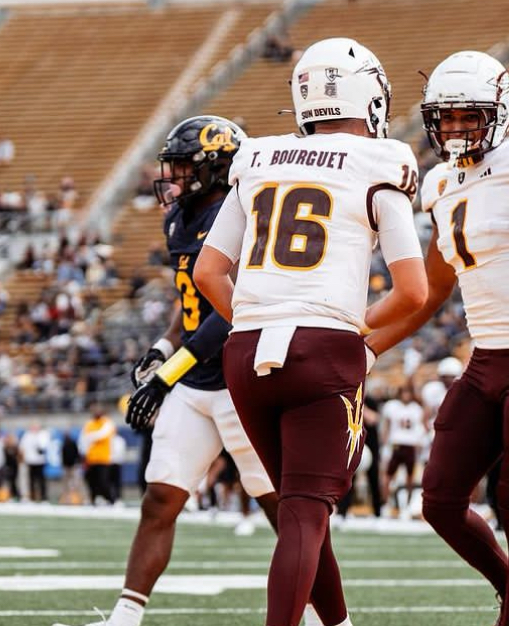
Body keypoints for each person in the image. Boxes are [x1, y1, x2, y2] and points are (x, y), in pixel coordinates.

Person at [194, 37, 427, 626]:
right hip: (321, 348)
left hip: (245, 351)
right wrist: (356, 335)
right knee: (304, 512)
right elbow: (414, 292)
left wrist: (256, 314)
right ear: (370, 96)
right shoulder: (384, 162)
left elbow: (208, 271)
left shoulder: (258, 157)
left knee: (302, 510)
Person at [364, 50, 509, 626]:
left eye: (468, 116)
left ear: (499, 113)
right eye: (446, 118)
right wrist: (365, 342)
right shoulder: (439, 183)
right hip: (484, 361)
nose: (455, 129)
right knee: (441, 501)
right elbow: (429, 292)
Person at [55, 116, 279, 626]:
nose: (173, 176)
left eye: (183, 165)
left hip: (240, 380)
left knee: (280, 507)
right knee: (160, 496)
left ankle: (322, 614)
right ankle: (125, 617)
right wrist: (162, 347)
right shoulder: (180, 218)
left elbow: (233, 308)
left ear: (217, 168)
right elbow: (193, 301)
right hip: (196, 381)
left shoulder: (238, 213)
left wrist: (166, 373)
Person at [380, 386, 425, 518]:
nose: (406, 395)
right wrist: (385, 443)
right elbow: (386, 425)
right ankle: (386, 505)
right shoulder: (392, 406)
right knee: (388, 476)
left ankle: (407, 506)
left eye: (408, 392)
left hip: (410, 445)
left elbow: (419, 427)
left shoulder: (416, 408)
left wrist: (419, 445)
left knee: (410, 478)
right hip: (396, 445)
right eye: (404, 392)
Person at [79, 407, 116, 505]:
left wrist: (90, 437)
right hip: (91, 458)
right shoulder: (89, 423)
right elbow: (84, 438)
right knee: (91, 481)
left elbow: (101, 435)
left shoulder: (107, 422)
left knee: (104, 481)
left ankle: (111, 500)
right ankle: (93, 500)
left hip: (103, 458)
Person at [19, 421, 50, 502]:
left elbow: (43, 446)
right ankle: (32, 497)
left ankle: (43, 497)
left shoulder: (43, 434)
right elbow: (22, 447)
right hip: (30, 461)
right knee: (31, 480)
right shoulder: (27, 435)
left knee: (41, 480)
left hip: (40, 461)